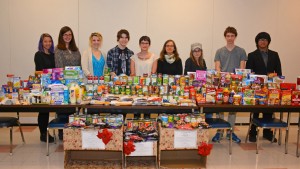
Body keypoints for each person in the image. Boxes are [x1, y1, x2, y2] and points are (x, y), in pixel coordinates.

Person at [213, 26, 247, 143]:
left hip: (235, 84)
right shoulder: (219, 51)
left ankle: (230, 131)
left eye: (232, 36)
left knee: (233, 109)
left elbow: (242, 69)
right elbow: (217, 68)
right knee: (220, 109)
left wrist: (236, 79)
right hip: (222, 83)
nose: (230, 38)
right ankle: (219, 131)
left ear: (235, 37)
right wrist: (222, 78)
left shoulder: (241, 51)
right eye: (228, 36)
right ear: (225, 37)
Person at [246, 32, 282, 142]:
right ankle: (253, 132)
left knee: (268, 111)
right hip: (257, 88)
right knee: (255, 111)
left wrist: (278, 83)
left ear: (268, 42)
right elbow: (249, 73)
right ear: (257, 42)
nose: (263, 41)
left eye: (265, 40)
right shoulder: (252, 55)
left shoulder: (274, 54)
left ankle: (267, 133)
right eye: (261, 39)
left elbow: (279, 72)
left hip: (271, 88)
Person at [55, 26, 81, 140]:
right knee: (64, 110)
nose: (67, 37)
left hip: (76, 84)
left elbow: (79, 66)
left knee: (74, 109)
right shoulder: (58, 49)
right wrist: (68, 78)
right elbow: (59, 67)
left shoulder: (75, 49)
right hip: (65, 84)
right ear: (61, 36)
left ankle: (73, 130)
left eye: (69, 35)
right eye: (65, 35)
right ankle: (62, 133)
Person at [34, 33, 55, 143]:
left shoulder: (53, 54)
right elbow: (40, 70)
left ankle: (49, 130)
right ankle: (43, 133)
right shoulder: (38, 55)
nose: (47, 43)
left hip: (54, 85)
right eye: (45, 41)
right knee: (44, 110)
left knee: (49, 109)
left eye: (49, 41)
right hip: (44, 85)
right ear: (41, 43)